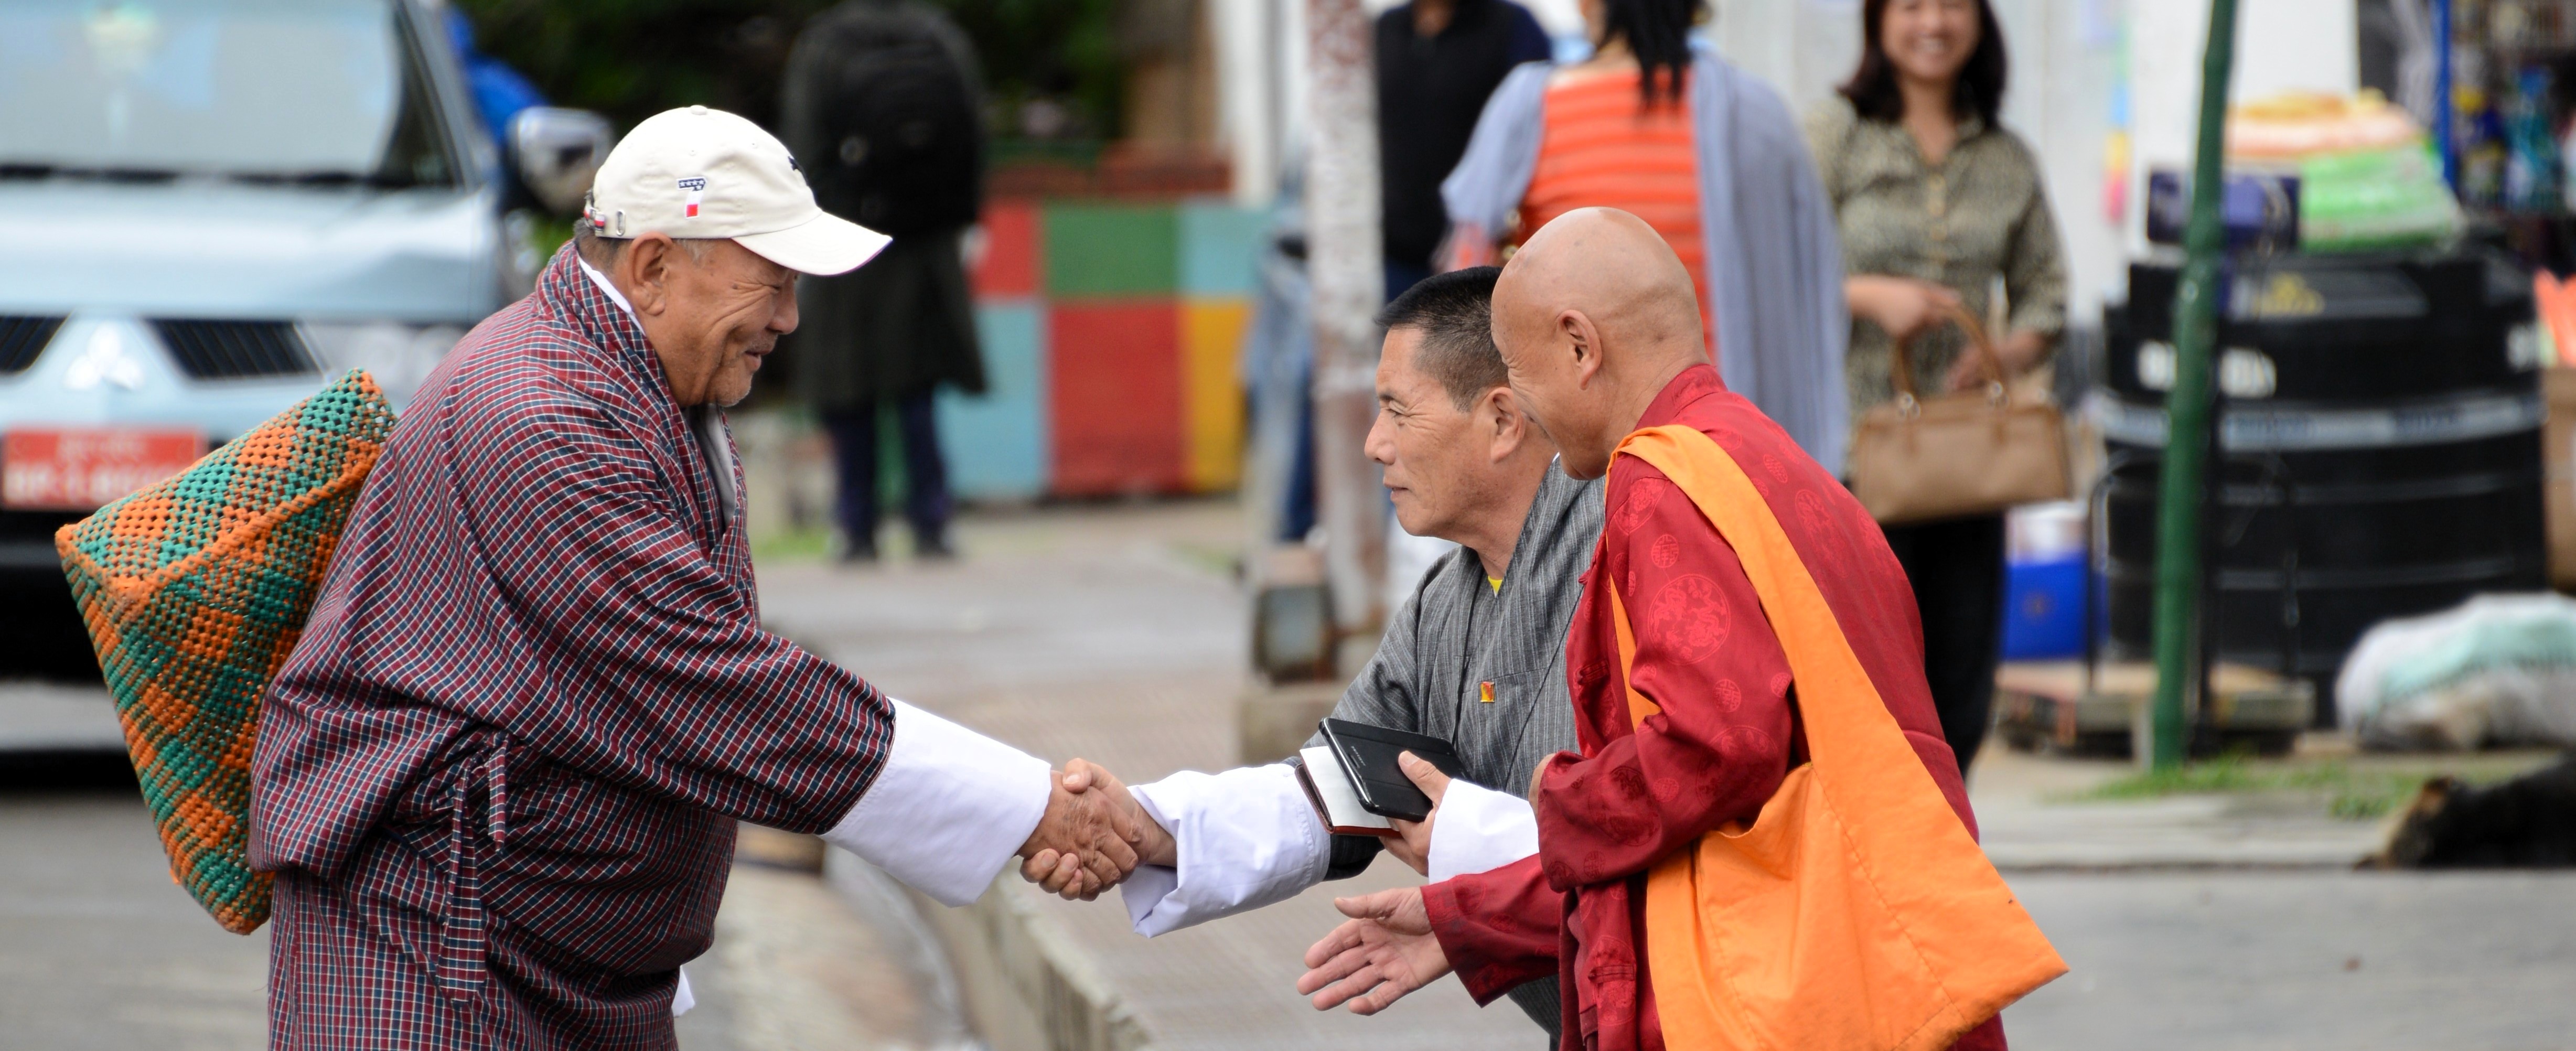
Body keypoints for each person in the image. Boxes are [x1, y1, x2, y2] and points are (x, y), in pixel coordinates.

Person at [251, 106, 1143, 1048]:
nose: (789, 319)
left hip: (544, 959)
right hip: (438, 954)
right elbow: (712, 681)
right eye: (771, 282)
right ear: (653, 266)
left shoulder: (632, 384)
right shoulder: (539, 414)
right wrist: (1026, 804)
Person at [1293, 208, 2002, 1050]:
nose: (1527, 418)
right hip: (1885, 951)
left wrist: (1554, 800)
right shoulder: (1771, 458)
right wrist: (1471, 918)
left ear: (1581, 349)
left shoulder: (1663, 482)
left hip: (1789, 993)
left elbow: (1713, 747)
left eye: (1525, 375)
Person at [1020, 266, 1600, 1039]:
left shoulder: (1626, 549)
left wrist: (1468, 859)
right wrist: (1148, 828)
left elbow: (1658, 836)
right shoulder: (1444, 604)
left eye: (1396, 410)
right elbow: (1333, 788)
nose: (1373, 444)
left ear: (1500, 421)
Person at [1804, 0, 2067, 774]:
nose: (1933, 23)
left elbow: (2047, 289)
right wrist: (1870, 297)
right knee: (1866, 667)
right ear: (1879, 21)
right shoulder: (1837, 133)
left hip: (1968, 459)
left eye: (1952, 5)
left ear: (1981, 23)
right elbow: (1785, 265)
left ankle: (1946, 844)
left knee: (1960, 670)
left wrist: (2004, 355)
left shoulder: (2007, 155)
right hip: (1854, 448)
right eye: (1912, 5)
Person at [1439, 0, 1850, 471]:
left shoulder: (1533, 105)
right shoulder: (1755, 114)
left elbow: (1467, 280)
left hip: (1574, 451)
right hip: (1721, 436)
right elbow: (1813, 288)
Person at [781, 0, 990, 561]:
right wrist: (964, 219)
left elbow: (802, 148)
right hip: (926, 241)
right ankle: (933, 523)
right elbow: (973, 135)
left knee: (847, 389)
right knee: (917, 388)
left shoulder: (827, 44)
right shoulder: (939, 36)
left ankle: (856, 527)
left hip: (847, 238)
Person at [1378, 0, 1554, 302]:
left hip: (1482, 256)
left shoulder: (1512, 26)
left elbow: (1535, 134)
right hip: (1393, 250)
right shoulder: (1387, 29)